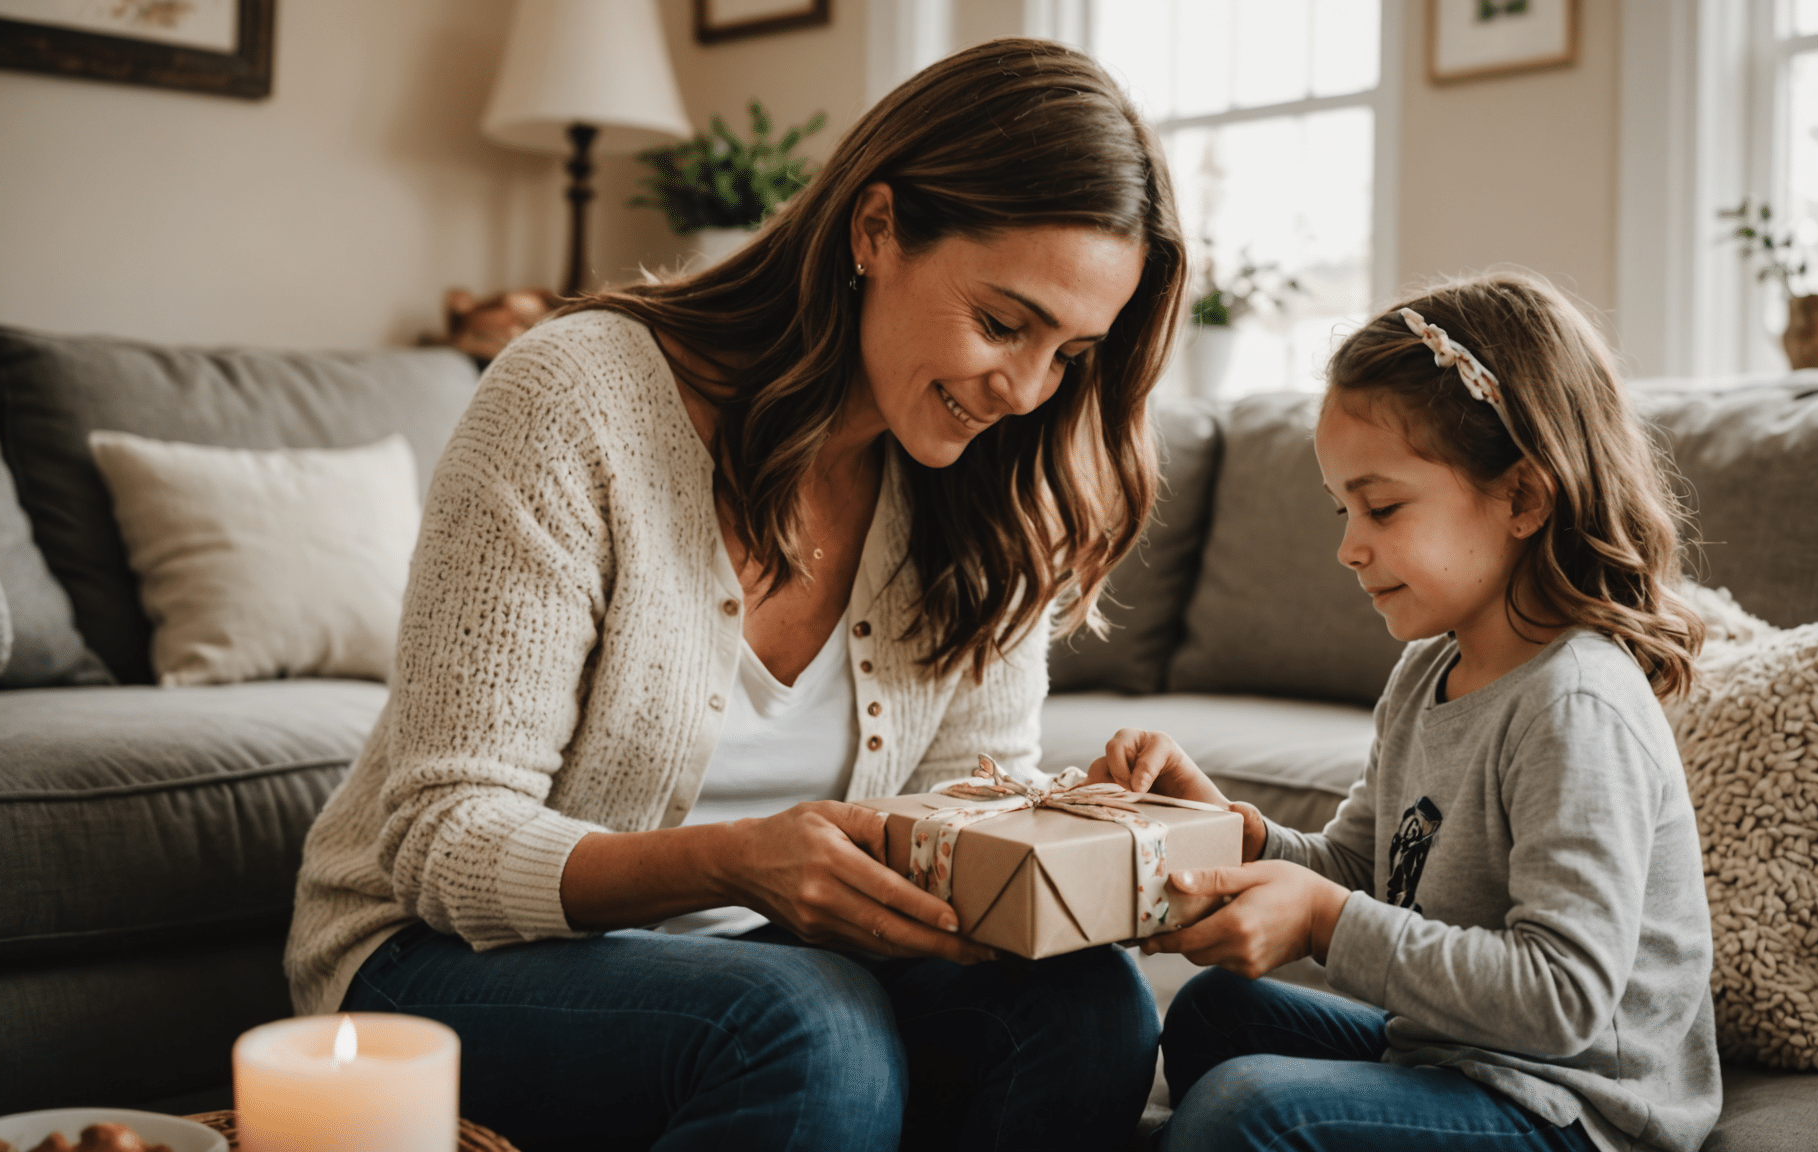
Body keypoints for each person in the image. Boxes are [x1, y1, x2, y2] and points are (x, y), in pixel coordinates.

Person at [284, 38, 1187, 1152]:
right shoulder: (576, 399)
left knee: (1084, 1008)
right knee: (807, 1024)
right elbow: (442, 839)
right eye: (1003, 324)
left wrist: (1072, 837)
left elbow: (954, 810)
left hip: (777, 977)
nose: (1027, 390)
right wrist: (737, 859)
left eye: (1073, 354)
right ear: (876, 230)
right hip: (442, 957)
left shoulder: (992, 492)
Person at [1088, 273, 1721, 1152]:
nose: (1349, 547)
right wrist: (1226, 834)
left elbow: (1564, 998)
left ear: (1523, 498)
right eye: (1343, 509)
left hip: (1578, 1108)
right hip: (1458, 1056)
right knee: (1215, 1016)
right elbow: (1366, 864)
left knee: (1244, 1108)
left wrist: (1321, 921)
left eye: (1381, 507)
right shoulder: (1428, 670)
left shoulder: (1576, 705)